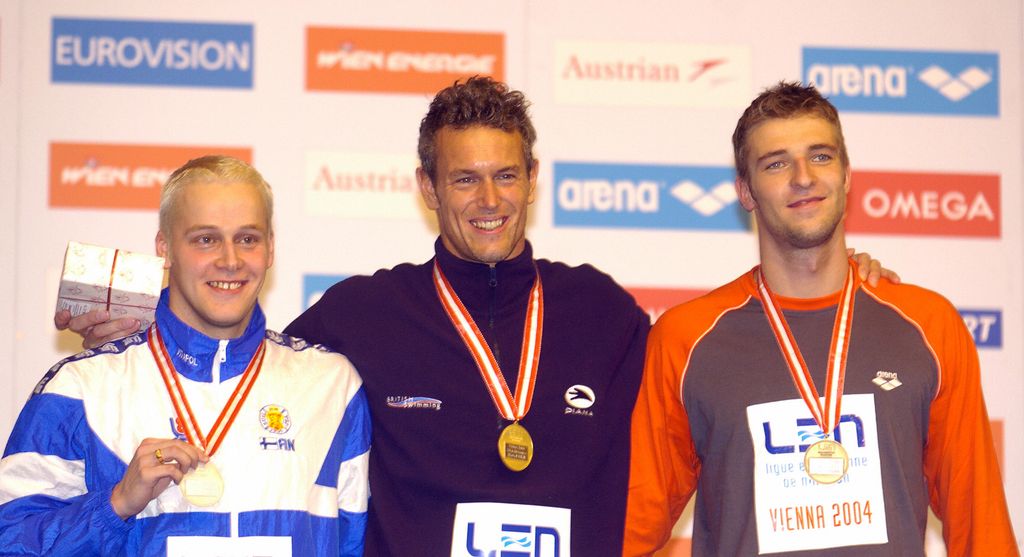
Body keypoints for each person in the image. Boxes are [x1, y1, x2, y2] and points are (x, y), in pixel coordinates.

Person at [52, 79, 894, 557]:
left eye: (505, 176)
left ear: (533, 178)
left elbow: (716, 388)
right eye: (463, 180)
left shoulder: (603, 311)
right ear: (427, 188)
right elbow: (241, 354)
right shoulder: (364, 315)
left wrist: (830, 294)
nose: (488, 201)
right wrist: (131, 331)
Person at [623, 82, 1018, 556]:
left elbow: (981, 527)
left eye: (821, 156)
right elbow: (629, 528)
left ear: (848, 174)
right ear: (745, 191)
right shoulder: (687, 340)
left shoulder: (927, 326)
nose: (803, 177)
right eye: (776, 163)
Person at [1, 156, 371, 555]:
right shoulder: (81, 387)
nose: (230, 260)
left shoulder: (332, 385)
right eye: (205, 239)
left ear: (271, 248)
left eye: (248, 238)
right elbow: (12, 543)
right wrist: (116, 504)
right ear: (165, 248)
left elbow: (354, 545)